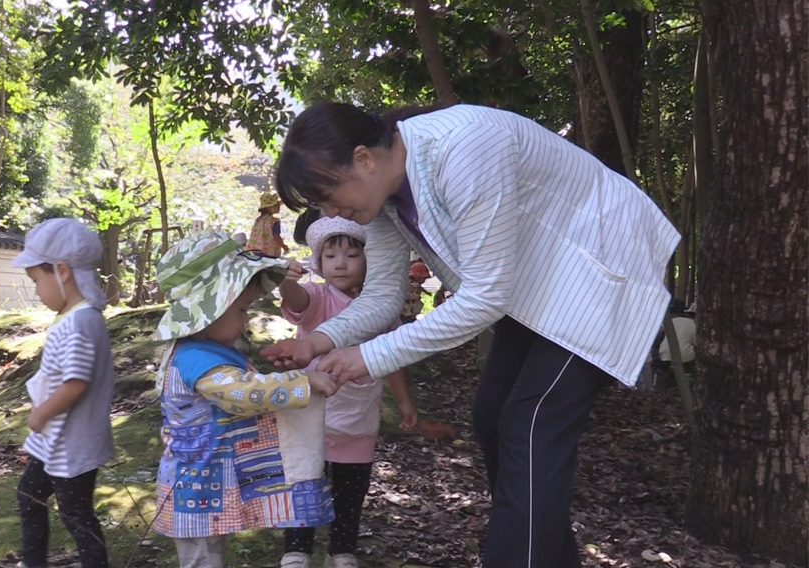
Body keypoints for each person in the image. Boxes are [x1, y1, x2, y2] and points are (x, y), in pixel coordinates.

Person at [262, 102, 680, 568]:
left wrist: (369, 357)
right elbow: (381, 296)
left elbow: (484, 298)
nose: (331, 211)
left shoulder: (463, 146)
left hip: (600, 271)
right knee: (493, 419)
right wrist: (317, 342)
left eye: (328, 194)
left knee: (528, 426)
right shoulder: (382, 200)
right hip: (536, 289)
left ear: (363, 159)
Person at [150, 230, 339, 568]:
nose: (245, 320)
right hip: (195, 485)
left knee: (210, 556)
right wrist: (303, 383)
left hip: (204, 482)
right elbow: (245, 395)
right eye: (240, 309)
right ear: (210, 311)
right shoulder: (196, 358)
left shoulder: (205, 351)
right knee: (202, 560)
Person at [277, 217, 418, 568]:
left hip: (358, 418)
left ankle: (341, 550)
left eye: (353, 254)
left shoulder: (379, 305)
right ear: (318, 263)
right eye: (331, 256)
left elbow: (391, 356)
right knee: (305, 480)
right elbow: (297, 298)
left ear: (371, 260)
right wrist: (284, 280)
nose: (341, 263)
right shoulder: (318, 297)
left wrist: (403, 401)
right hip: (312, 417)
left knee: (351, 491)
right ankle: (297, 549)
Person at [11, 218, 114, 568]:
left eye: (37, 280)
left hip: (72, 442)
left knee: (76, 514)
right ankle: (33, 560)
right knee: (29, 495)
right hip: (55, 438)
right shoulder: (73, 317)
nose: (37, 290)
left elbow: (76, 382)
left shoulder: (81, 321)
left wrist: (40, 413)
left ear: (62, 271)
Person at [656, 298, 697, 376]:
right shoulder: (692, 323)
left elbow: (658, 341)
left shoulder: (665, 324)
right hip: (685, 360)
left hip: (664, 358)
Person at [247, 192, 289, 256]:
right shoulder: (274, 221)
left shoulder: (258, 220)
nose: (278, 207)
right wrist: (284, 246)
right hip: (269, 253)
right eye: (276, 206)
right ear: (269, 207)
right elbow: (276, 236)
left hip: (254, 251)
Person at [402, 259, 431, 323]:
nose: (423, 281)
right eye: (422, 278)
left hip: (412, 314)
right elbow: (405, 294)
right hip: (405, 314)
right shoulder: (408, 284)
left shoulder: (416, 285)